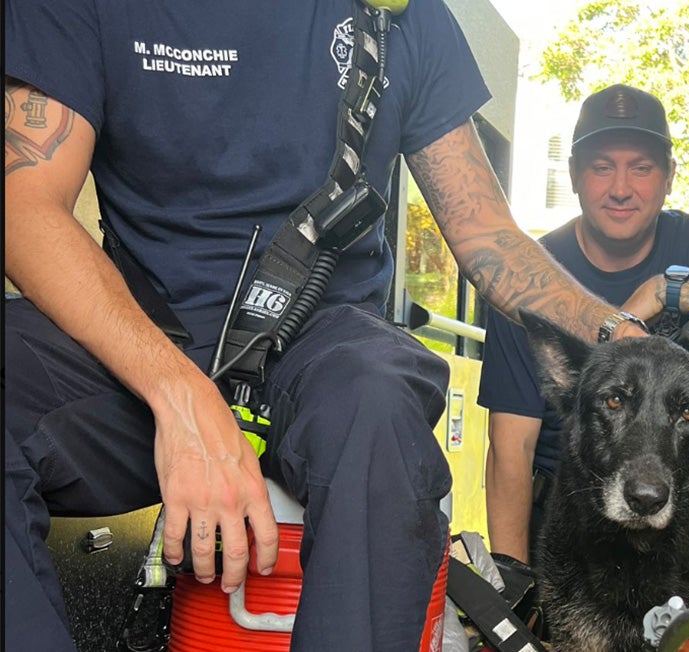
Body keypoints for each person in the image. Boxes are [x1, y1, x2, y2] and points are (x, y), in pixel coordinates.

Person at [2, 1, 646, 650]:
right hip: (139, 342)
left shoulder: (404, 16)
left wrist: (614, 332)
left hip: (323, 345)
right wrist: (179, 393)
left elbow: (486, 234)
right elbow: (23, 204)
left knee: (377, 399)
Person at [480, 84, 689, 566]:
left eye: (642, 168)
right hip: (565, 523)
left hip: (679, 523)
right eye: (602, 166)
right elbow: (511, 450)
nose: (621, 188)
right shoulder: (534, 277)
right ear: (573, 175)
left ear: (669, 175)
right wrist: (511, 587)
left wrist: (672, 290)